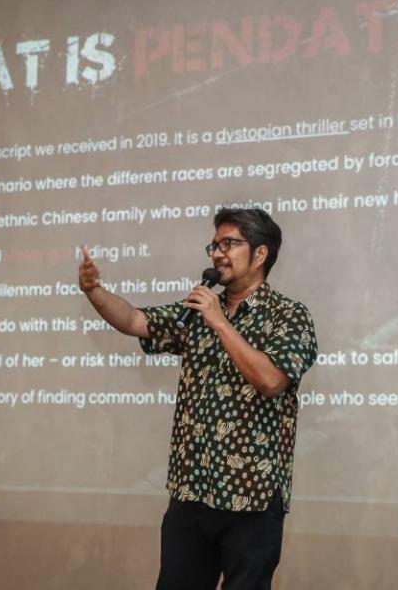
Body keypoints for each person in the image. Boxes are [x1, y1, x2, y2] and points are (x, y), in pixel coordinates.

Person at [78, 207, 318, 590]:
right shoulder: (197, 313)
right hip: (192, 490)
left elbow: (272, 380)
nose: (217, 254)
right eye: (214, 245)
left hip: (251, 496)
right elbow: (134, 321)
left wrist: (220, 323)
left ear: (260, 254)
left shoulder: (288, 315)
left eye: (230, 244)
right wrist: (94, 291)